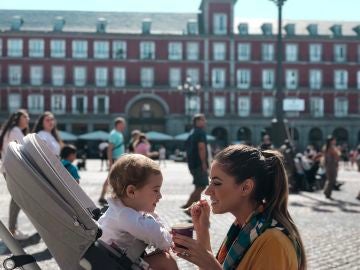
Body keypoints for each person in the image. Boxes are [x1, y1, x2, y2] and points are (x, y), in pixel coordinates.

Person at [172, 144, 306, 270]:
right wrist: (202, 231)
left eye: (217, 183)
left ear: (245, 187)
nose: (207, 191)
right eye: (210, 182)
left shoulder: (273, 242)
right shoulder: (244, 227)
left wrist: (211, 266)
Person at [98, 154, 178, 270]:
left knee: (164, 257)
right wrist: (170, 238)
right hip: (113, 266)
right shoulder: (125, 216)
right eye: (156, 190)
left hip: (116, 262)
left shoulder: (120, 211)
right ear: (131, 192)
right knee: (166, 260)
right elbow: (160, 238)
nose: (160, 196)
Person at [0, 109, 30, 240]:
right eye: (25, 117)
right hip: (16, 169)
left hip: (8, 169)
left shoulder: (6, 130)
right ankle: (12, 230)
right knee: (17, 199)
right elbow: (25, 150)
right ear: (18, 119)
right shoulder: (16, 131)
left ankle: (13, 228)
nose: (28, 119)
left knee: (17, 199)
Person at [181, 114, 209, 214]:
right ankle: (190, 207)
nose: (205, 122)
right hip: (198, 163)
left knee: (199, 185)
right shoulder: (200, 133)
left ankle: (189, 205)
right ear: (197, 121)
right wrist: (204, 163)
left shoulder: (192, 133)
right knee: (201, 185)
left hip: (192, 163)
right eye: (203, 120)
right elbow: (201, 147)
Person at [98, 117, 126, 205]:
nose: (124, 126)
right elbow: (109, 149)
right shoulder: (114, 134)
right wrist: (110, 162)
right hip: (115, 160)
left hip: (119, 159)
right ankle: (103, 197)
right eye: (122, 124)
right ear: (118, 124)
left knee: (115, 178)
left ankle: (110, 196)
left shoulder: (119, 134)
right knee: (111, 178)